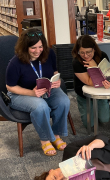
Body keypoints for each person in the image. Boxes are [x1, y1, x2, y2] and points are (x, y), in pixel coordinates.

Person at [6, 28, 70, 156]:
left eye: (40, 47)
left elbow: (54, 72)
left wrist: (57, 81)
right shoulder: (15, 62)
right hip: (21, 94)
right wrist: (32, 93)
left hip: (46, 89)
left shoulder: (49, 53)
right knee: (41, 106)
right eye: (33, 48)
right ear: (25, 47)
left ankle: (56, 135)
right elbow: (10, 87)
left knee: (64, 101)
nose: (38, 51)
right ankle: (45, 139)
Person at [72, 35, 110, 128]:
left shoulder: (102, 55)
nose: (85, 55)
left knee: (105, 119)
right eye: (82, 52)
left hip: (100, 91)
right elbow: (90, 82)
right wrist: (94, 67)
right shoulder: (76, 61)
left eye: (88, 52)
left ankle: (107, 106)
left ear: (94, 49)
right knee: (89, 124)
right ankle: (88, 107)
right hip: (84, 94)